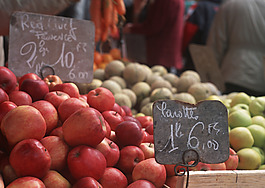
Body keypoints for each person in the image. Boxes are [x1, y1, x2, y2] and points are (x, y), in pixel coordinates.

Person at [206, 0, 265, 96]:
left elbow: (216, 44)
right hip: (261, 80)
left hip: (233, 73)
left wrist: (210, 76)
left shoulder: (230, 5)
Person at [123, 0, 185, 75]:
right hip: (166, 52)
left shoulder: (165, 2)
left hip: (161, 54)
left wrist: (132, 28)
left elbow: (153, 26)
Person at [182, 0, 222, 71]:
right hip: (219, 55)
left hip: (197, 52)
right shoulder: (226, 7)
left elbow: (189, 30)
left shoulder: (201, 6)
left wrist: (183, 50)